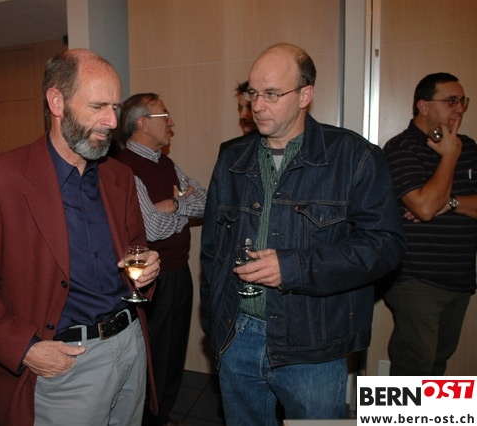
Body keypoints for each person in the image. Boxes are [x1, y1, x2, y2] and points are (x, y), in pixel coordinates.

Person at [200, 43, 407, 426]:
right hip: (237, 335)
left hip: (313, 343)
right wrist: (214, 325)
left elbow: (385, 245)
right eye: (252, 93)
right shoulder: (231, 157)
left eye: (272, 94)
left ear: (304, 95)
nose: (257, 105)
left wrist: (293, 268)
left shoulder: (354, 156)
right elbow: (213, 251)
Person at [0, 49, 161, 426]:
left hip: (130, 345)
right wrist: (26, 349)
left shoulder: (119, 177)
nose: (112, 122)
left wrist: (148, 269)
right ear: (56, 102)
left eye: (115, 107)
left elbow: (138, 251)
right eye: (98, 107)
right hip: (64, 365)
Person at [116, 93, 207, 426]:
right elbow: (152, 229)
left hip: (179, 272)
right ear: (142, 123)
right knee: (154, 357)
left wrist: (175, 204)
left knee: (173, 351)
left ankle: (162, 416)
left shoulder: (165, 163)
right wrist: (180, 206)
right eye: (164, 115)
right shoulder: (125, 167)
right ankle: (149, 419)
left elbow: (205, 201)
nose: (171, 122)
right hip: (152, 278)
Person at [382, 72, 477, 376]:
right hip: (416, 278)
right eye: (451, 101)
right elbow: (424, 208)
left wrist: (451, 203)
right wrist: (450, 155)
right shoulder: (401, 148)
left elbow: (433, 203)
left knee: (437, 364)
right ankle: (394, 410)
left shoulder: (469, 147)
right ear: (424, 106)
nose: (459, 108)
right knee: (415, 365)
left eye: (462, 101)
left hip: (460, 277)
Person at [218, 80, 256, 157]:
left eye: (249, 107)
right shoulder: (228, 150)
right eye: (240, 108)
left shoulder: (274, 147)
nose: (242, 115)